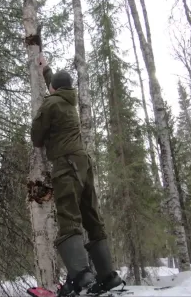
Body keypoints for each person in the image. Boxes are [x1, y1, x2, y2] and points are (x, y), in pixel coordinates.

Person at [30, 53, 123, 296]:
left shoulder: (50, 104)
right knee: (91, 217)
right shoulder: (69, 100)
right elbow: (57, 87)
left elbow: (36, 138)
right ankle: (107, 276)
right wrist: (45, 69)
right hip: (84, 164)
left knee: (68, 217)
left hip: (66, 164)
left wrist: (40, 117)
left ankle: (82, 276)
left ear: (53, 89)